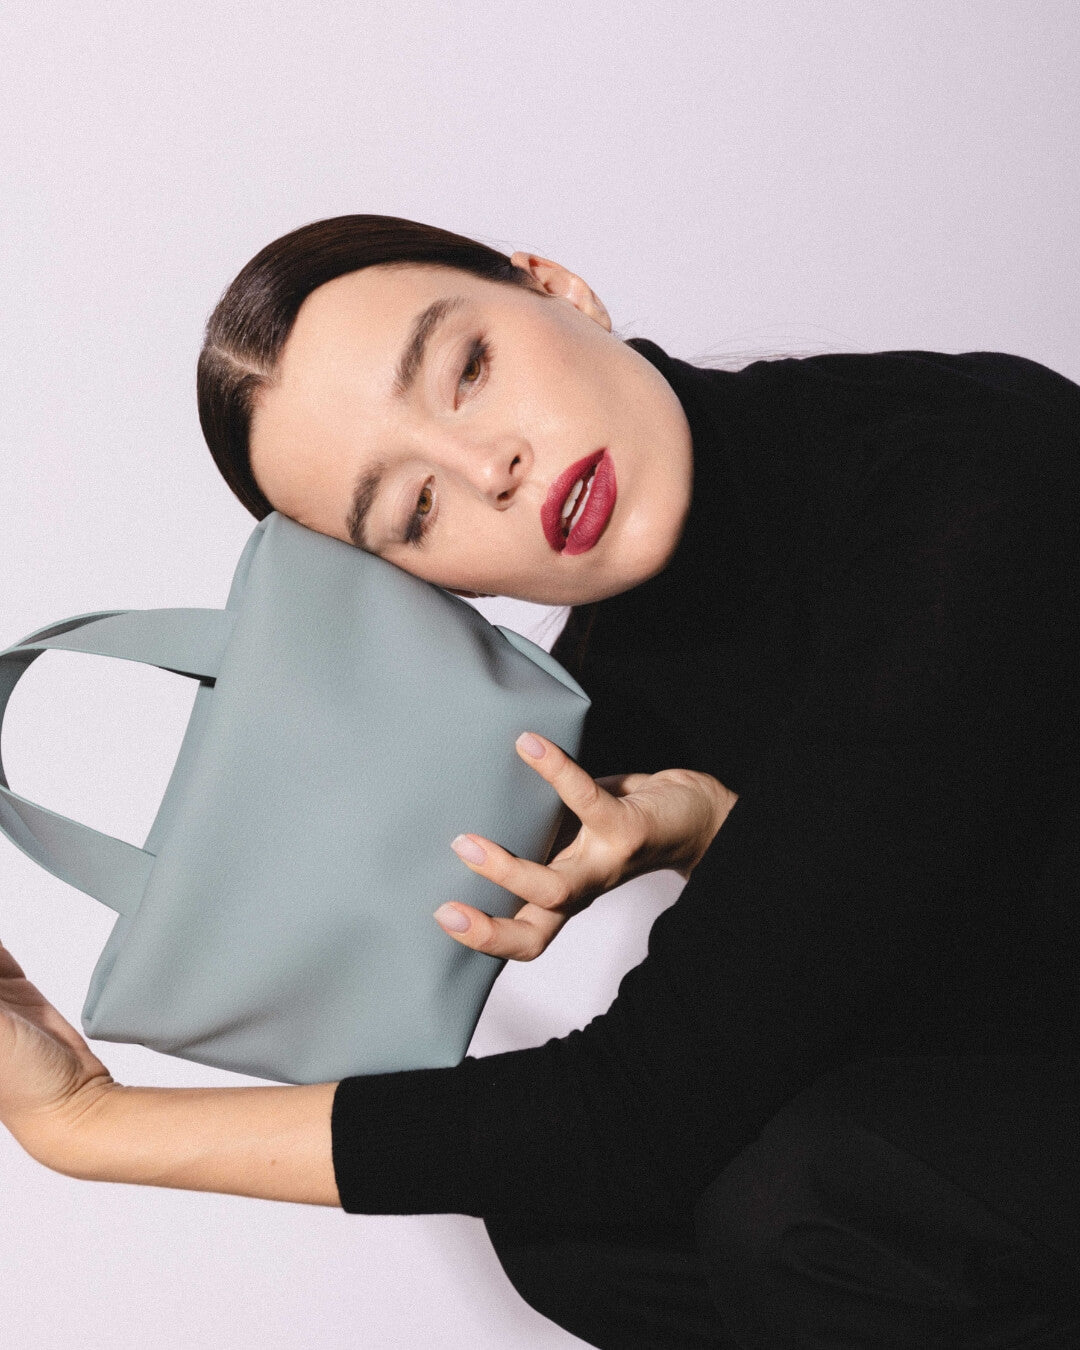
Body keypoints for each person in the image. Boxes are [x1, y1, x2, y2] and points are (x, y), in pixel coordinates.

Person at [2, 214, 1079, 1349]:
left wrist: (89, 1124)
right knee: (576, 1233)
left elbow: (641, 1113)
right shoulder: (599, 707)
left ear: (556, 289)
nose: (490, 472)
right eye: (416, 511)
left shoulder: (960, 471)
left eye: (467, 369)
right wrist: (723, 835)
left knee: (814, 1198)